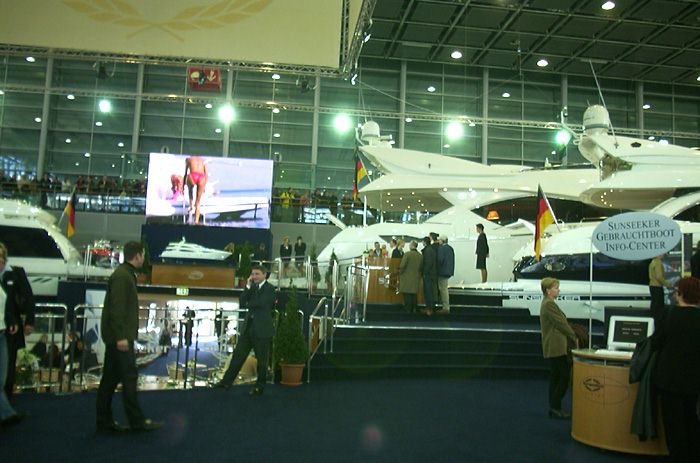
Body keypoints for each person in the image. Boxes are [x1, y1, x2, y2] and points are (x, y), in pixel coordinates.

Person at [96, 241, 162, 434]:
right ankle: (136, 422)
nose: (144, 258)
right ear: (138, 255)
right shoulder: (123, 276)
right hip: (120, 339)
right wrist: (121, 337)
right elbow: (117, 309)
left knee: (110, 380)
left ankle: (104, 421)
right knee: (129, 377)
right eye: (143, 255)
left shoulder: (124, 274)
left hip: (117, 337)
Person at [652, 276, 700, 462]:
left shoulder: (668, 315)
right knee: (691, 419)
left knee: (674, 425)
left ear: (679, 293)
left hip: (669, 378)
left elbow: (656, 342)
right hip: (693, 379)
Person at [214, 264, 276, 396]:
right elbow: (242, 302)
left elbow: (262, 303)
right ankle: (226, 382)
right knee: (238, 356)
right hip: (248, 329)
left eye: (257, 274)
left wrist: (249, 303)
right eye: (253, 274)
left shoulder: (270, 288)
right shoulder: (251, 287)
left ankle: (259, 386)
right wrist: (247, 287)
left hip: (262, 330)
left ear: (264, 275)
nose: (254, 276)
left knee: (262, 361)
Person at [0, 242, 35, 400]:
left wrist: (29, 321)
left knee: (7, 367)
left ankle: (6, 401)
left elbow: (28, 297)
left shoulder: (15, 274)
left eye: (1, 256)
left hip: (10, 329)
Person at [539, 277, 578, 419]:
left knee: (556, 376)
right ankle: (555, 406)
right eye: (556, 288)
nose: (558, 290)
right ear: (548, 290)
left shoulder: (547, 303)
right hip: (556, 346)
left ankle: (554, 407)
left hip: (554, 345)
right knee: (564, 376)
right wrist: (573, 336)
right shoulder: (549, 304)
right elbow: (561, 323)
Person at [0, 251, 24, 426]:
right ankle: (7, 413)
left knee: (2, 377)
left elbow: (6, 307)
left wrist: (11, 322)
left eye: (2, 259)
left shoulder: (4, 282)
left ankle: (6, 412)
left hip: (2, 333)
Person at [399, 241, 422, 314]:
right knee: (414, 295)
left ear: (411, 245)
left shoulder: (407, 254)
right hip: (416, 278)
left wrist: (399, 273)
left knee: (407, 294)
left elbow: (402, 266)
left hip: (406, 278)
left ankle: (408, 310)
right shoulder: (420, 256)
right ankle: (414, 309)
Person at [649, 253, 672, 324]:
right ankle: (659, 322)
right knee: (659, 306)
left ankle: (652, 321)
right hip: (657, 286)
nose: (663, 254)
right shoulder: (658, 262)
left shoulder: (652, 262)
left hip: (652, 285)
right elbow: (659, 276)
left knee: (654, 304)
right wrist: (667, 284)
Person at [183, 155, 207, 224]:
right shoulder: (203, 160)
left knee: (190, 190)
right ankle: (196, 221)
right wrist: (204, 186)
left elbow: (185, 173)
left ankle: (191, 205)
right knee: (198, 202)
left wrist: (183, 184)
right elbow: (206, 174)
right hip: (202, 177)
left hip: (192, 175)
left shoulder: (188, 159)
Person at [436, 235, 455, 314]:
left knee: (443, 290)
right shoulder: (450, 248)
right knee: (444, 288)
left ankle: (445, 307)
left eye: (439, 240)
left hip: (442, 271)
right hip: (448, 271)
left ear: (442, 241)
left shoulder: (441, 248)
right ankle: (446, 306)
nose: (438, 241)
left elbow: (440, 260)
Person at [420, 236, 437, 316]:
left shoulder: (427, 251)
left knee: (428, 292)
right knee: (430, 291)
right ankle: (430, 308)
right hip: (431, 274)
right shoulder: (431, 250)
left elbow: (428, 263)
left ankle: (429, 309)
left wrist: (424, 272)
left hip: (428, 275)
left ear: (425, 242)